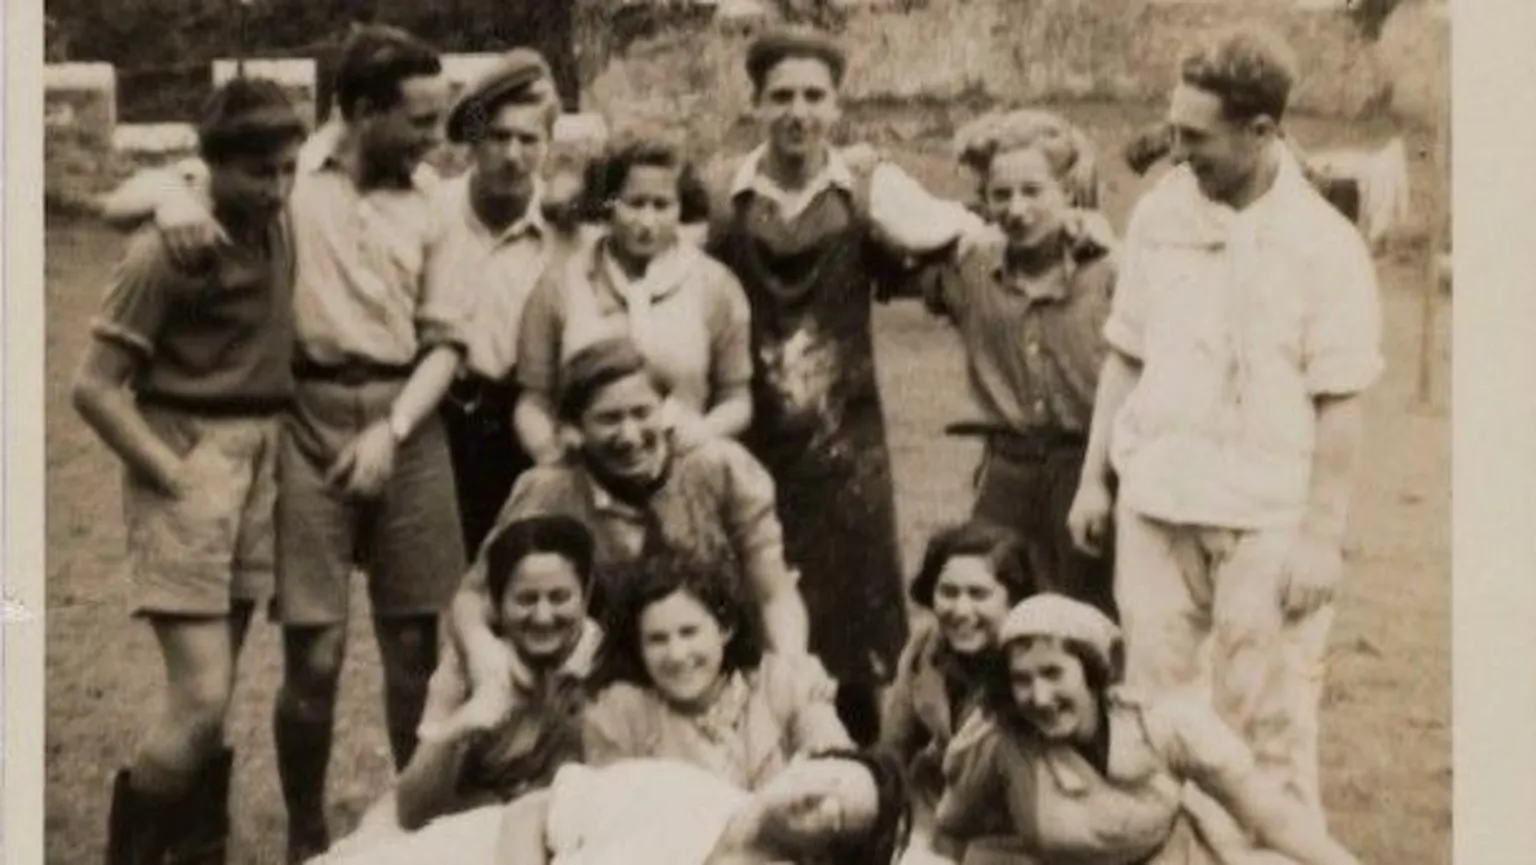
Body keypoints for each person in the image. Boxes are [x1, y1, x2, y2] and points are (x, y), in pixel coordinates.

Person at [100, 26, 473, 861]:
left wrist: (393, 428)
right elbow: (135, 194)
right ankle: (306, 830)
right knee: (316, 653)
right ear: (363, 111)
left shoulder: (437, 201)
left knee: (415, 647)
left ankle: (411, 834)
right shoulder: (284, 177)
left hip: (406, 417)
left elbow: (446, 341)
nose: (433, 139)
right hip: (301, 417)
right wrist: (172, 201)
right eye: (417, 121)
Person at [1066, 25, 1382, 834]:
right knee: (1157, 719)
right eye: (1173, 129)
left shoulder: (1325, 245)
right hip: (1157, 507)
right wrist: (1096, 479)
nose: (1177, 151)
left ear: (1262, 132)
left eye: (1195, 137)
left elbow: (1340, 399)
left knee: (1266, 733)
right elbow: (1125, 354)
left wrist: (1320, 535)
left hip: (1267, 521)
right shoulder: (1159, 215)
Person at [703, 27, 995, 745]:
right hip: (747, 433)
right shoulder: (720, 194)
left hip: (843, 447)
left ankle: (866, 768)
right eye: (781, 97)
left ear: (836, 105)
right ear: (756, 104)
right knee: (743, 603)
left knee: (854, 620)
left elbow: (964, 234)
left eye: (814, 96)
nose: (798, 112)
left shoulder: (868, 187)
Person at [72, 77, 306, 865]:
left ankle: (199, 852)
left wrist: (167, 186)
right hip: (190, 460)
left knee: (214, 694)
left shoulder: (278, 221)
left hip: (259, 461)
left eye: (286, 170)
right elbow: (95, 389)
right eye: (257, 172)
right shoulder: (166, 248)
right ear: (213, 168)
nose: (275, 189)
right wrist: (173, 475)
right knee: (201, 695)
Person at [426, 336, 809, 742]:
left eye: (641, 412)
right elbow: (472, 597)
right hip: (608, 683)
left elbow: (773, 592)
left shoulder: (718, 469)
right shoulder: (550, 490)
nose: (629, 435)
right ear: (575, 428)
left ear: (665, 409)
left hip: (708, 664)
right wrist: (482, 648)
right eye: (609, 419)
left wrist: (791, 665)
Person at [936, 594, 1365, 865]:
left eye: (1053, 673)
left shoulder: (1164, 723)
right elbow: (954, 824)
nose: (1039, 697)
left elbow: (1270, 817)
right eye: (1022, 680)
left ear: (1093, 673)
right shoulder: (1001, 743)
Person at [922, 109, 1119, 618]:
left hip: (1089, 469)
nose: (1017, 209)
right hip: (1007, 473)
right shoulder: (968, 269)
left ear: (1068, 192)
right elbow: (885, 225)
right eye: (1000, 195)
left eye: (1034, 191)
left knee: (1089, 616)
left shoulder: (1110, 271)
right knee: (990, 606)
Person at [338, 515, 600, 846]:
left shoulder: (604, 660)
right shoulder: (469, 665)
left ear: (586, 595)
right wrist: (459, 727)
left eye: (560, 597)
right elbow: (411, 810)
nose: (544, 616)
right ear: (497, 602)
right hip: (466, 822)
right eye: (526, 599)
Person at [514, 129, 754, 465]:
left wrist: (702, 432)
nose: (647, 221)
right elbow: (532, 401)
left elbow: (737, 399)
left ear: (680, 207)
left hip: (684, 464)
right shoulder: (560, 284)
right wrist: (550, 456)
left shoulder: (716, 285)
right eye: (634, 203)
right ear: (609, 204)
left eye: (661, 205)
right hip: (584, 472)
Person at [432, 49, 583, 553]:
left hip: (531, 421)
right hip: (441, 419)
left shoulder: (569, 224)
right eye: (498, 137)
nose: (513, 155)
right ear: (473, 139)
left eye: (528, 139)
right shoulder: (433, 210)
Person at [313, 751, 912, 865]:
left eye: (834, 812)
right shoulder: (682, 787)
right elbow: (529, 816)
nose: (814, 794)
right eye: (827, 774)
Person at [583, 553, 851, 790]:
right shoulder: (622, 715)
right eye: (657, 639)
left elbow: (841, 771)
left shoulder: (783, 684)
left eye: (689, 632)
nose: (676, 654)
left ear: (725, 629)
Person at [878, 520, 1036, 849]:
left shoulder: (1035, 662)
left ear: (1014, 598)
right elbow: (893, 748)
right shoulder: (926, 647)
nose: (961, 610)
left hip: (1012, 832)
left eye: (979, 594)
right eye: (948, 592)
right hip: (933, 814)